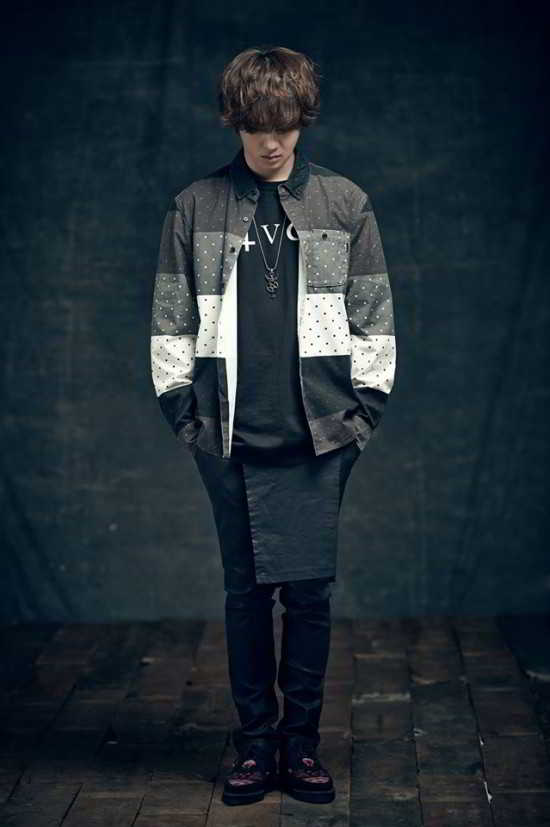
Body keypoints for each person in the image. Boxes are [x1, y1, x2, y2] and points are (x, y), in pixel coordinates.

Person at [150, 45, 396, 806]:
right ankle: (256, 747)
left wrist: (360, 419)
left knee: (311, 594)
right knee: (246, 593)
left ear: (302, 121)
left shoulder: (344, 203)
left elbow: (376, 321)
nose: (271, 143)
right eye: (257, 127)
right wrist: (187, 419)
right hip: (227, 433)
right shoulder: (195, 206)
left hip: (320, 434)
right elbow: (169, 323)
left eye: (284, 126)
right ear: (235, 122)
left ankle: (302, 746)